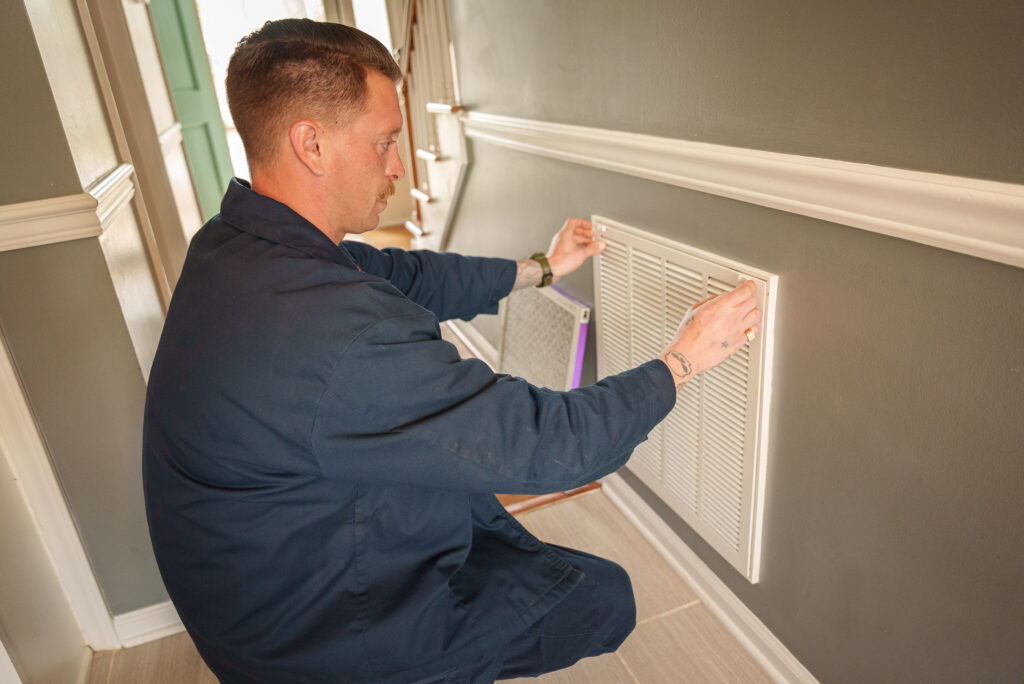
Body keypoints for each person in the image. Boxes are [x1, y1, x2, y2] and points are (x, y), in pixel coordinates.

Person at [142, 18, 761, 684]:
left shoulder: (238, 244)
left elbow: (406, 274)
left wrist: (541, 268)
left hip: (257, 586)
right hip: (318, 640)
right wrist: (684, 360)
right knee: (602, 599)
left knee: (474, 510)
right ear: (311, 144)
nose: (397, 166)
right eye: (384, 142)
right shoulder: (334, 335)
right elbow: (552, 444)